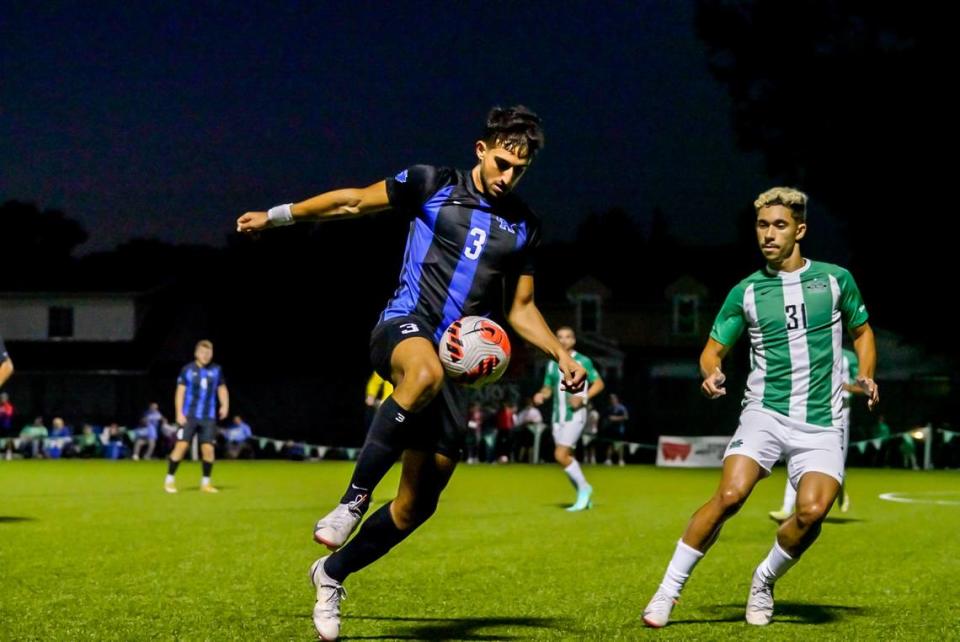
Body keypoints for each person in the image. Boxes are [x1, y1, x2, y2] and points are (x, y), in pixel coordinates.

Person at [236, 105, 586, 640]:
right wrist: (277, 215)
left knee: (416, 506)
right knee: (422, 374)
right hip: (404, 327)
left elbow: (520, 309)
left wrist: (561, 356)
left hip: (454, 366)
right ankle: (352, 500)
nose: (507, 176)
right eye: (500, 163)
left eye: (519, 170)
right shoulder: (431, 183)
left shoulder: (523, 226)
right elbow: (352, 201)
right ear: (480, 150)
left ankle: (331, 574)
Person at [642, 187, 879, 628]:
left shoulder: (835, 280)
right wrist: (710, 371)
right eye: (762, 225)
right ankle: (666, 592)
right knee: (730, 496)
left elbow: (862, 331)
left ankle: (764, 580)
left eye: (779, 225)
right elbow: (712, 350)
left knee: (811, 512)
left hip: (822, 421)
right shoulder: (745, 292)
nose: (768, 234)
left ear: (800, 230)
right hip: (764, 412)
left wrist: (866, 373)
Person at [770, 347, 864, 520]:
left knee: (836, 460)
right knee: (798, 453)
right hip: (813, 409)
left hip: (841, 413)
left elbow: (863, 388)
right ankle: (786, 507)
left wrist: (846, 387)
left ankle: (841, 491)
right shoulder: (811, 347)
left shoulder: (848, 357)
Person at [533, 326, 604, 510]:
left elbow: (599, 383)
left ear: (573, 340)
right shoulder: (551, 363)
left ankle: (584, 489)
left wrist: (584, 397)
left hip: (575, 415)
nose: (563, 340)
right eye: (560, 337)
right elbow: (548, 387)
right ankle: (583, 496)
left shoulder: (583, 361)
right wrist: (542, 395)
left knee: (560, 455)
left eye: (568, 337)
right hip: (557, 417)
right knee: (566, 457)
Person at [164, 340, 228, 493]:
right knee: (182, 446)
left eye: (209, 353)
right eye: (203, 353)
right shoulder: (187, 370)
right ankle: (169, 479)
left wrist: (225, 405)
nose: (206, 356)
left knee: (208, 449)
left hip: (208, 417)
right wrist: (179, 413)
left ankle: (205, 483)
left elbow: (222, 388)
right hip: (189, 416)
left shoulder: (217, 370)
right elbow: (180, 392)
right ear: (196, 353)